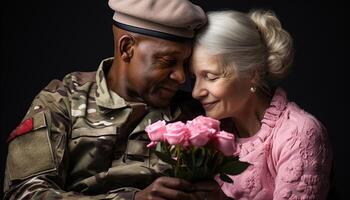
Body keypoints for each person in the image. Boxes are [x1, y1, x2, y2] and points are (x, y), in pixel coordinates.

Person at [3, 1, 227, 199]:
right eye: (168, 61)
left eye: (184, 64)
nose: (180, 77)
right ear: (127, 48)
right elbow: (23, 193)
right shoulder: (62, 101)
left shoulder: (194, 115)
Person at [190, 10, 333, 199]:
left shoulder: (299, 135)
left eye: (211, 77)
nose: (196, 92)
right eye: (194, 78)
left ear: (253, 73)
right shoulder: (210, 133)